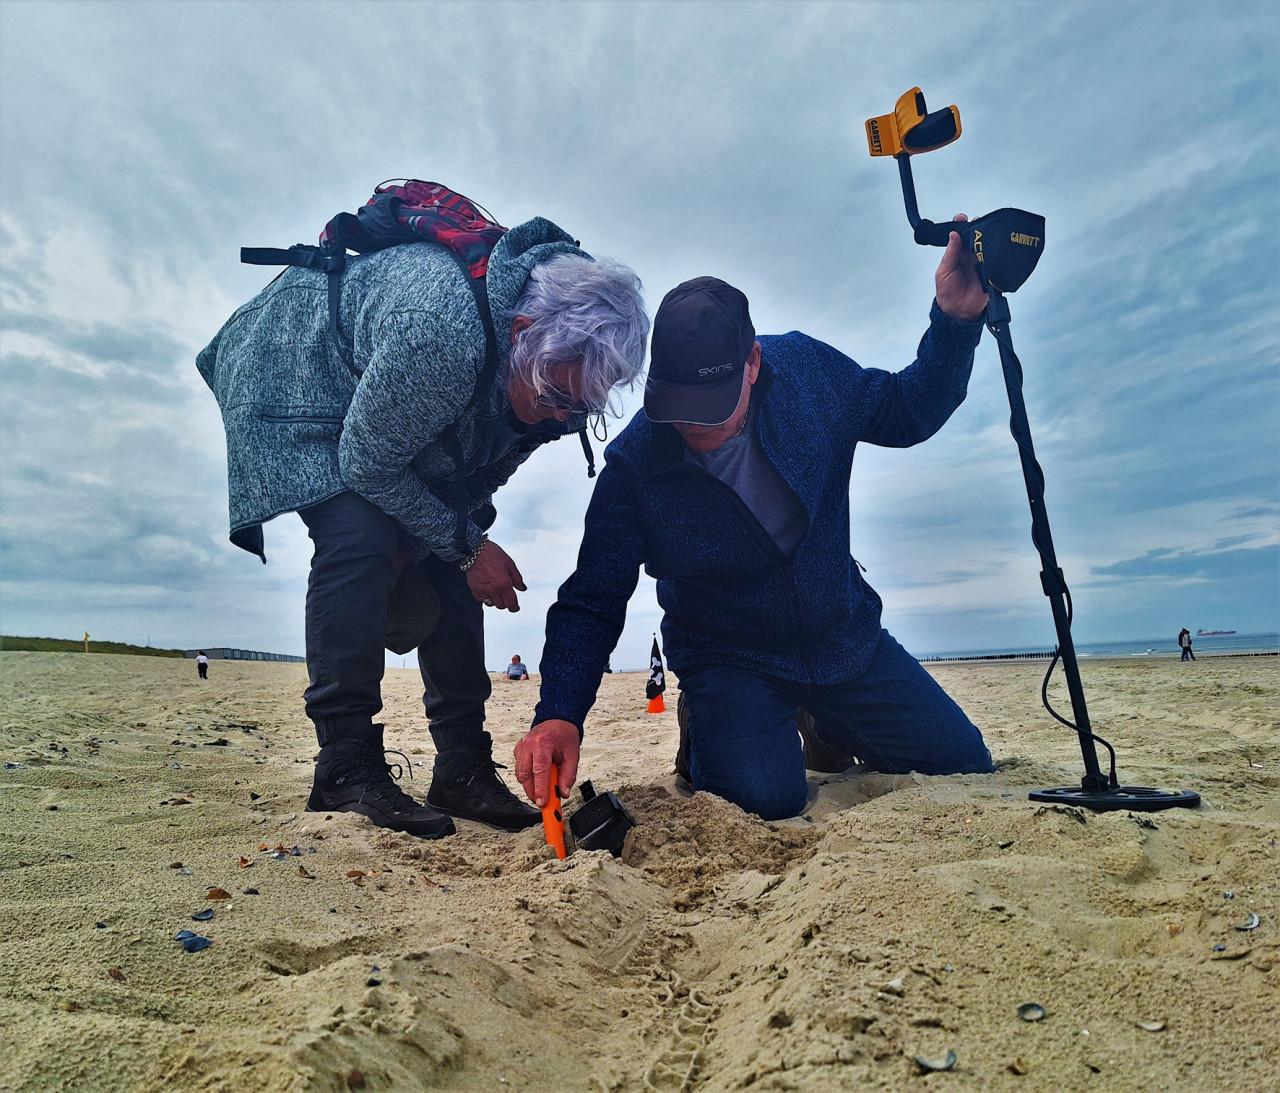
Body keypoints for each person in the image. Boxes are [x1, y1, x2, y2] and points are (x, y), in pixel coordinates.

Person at [515, 218, 996, 820]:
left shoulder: (808, 375)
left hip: (843, 637)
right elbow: (593, 599)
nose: (693, 428)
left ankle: (825, 719)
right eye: (676, 408)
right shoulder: (635, 465)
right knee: (766, 799)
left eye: (711, 410)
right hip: (731, 659)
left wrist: (954, 322)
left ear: (752, 364)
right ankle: (704, 724)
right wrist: (559, 714)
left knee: (962, 763)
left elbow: (907, 410)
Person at [197, 217, 649, 839]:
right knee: (360, 536)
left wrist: (451, 544)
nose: (560, 417)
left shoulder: (561, 389)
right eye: (553, 398)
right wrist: (465, 548)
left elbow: (485, 474)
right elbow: (366, 463)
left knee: (453, 540)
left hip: (397, 399)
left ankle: (461, 766)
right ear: (522, 333)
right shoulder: (441, 333)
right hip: (298, 374)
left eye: (580, 407)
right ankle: (344, 763)